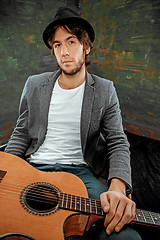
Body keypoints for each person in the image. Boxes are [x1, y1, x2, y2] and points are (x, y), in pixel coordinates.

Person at [5, 7, 141, 240]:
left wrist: (118, 189)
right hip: (33, 169)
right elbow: (21, 133)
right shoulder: (35, 85)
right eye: (57, 45)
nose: (64, 51)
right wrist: (5, 170)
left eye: (71, 42)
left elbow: (118, 143)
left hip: (81, 176)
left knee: (125, 237)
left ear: (86, 47)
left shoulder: (105, 90)